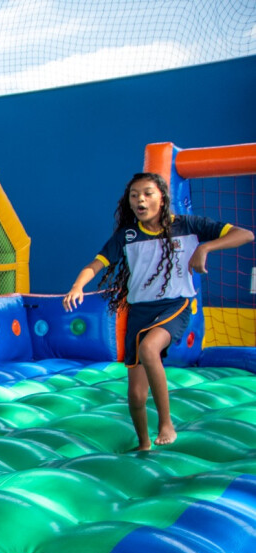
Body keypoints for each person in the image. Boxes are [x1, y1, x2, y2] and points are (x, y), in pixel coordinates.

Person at [63, 172, 253, 450]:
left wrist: (205, 248)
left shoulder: (188, 225)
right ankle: (143, 444)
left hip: (175, 306)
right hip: (140, 312)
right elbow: (96, 264)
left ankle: (166, 423)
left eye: (148, 193)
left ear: (162, 198)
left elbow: (245, 234)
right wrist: (77, 286)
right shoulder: (126, 236)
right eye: (134, 195)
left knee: (150, 349)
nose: (141, 199)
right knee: (137, 395)